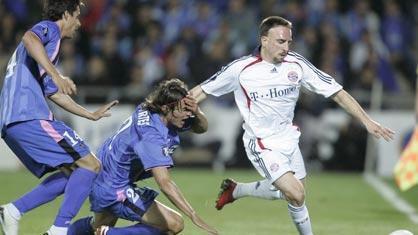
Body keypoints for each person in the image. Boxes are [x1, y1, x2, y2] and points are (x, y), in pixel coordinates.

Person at [190, 16, 395, 235]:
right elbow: (200, 92)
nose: (286, 47)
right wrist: (165, 113)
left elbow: (337, 92)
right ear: (264, 40)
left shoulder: (296, 64)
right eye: (280, 41)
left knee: (294, 194)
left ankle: (236, 190)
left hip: (288, 139)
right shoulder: (241, 69)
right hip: (261, 143)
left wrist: (367, 121)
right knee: (296, 194)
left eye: (289, 42)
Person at [0, 1, 118, 235]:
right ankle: (59, 230)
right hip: (28, 116)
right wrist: (57, 74)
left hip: (13, 122)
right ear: (66, 14)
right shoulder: (49, 29)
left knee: (76, 173)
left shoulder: (44, 54)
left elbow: (53, 92)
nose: (79, 22)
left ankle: (12, 211)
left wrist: (90, 115)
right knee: (91, 164)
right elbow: (29, 38)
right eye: (77, 15)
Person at [68, 78, 218, 235]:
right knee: (174, 224)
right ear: (167, 108)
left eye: (189, 110)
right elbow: (165, 183)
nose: (188, 115)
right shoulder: (151, 136)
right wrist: (194, 215)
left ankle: (57, 232)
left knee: (94, 227)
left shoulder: (154, 111)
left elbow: (201, 128)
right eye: (184, 110)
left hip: (103, 174)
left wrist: (196, 111)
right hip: (113, 187)